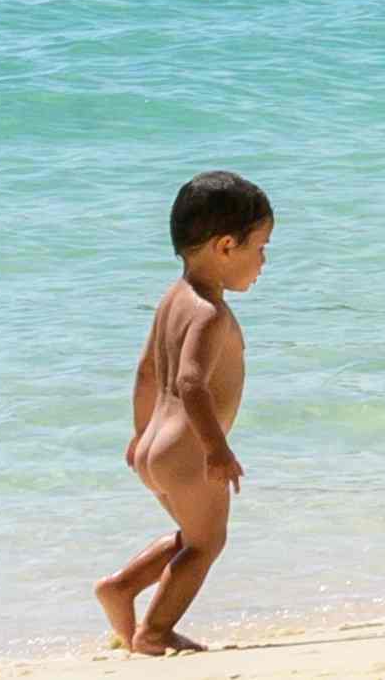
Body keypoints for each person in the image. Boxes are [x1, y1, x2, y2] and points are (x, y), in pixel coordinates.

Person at [92, 170, 271, 653]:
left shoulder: (173, 300)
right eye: (259, 247)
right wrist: (217, 449)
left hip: (157, 445)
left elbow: (147, 372)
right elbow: (191, 384)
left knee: (192, 536)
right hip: (189, 450)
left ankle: (121, 587)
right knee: (208, 544)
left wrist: (139, 437)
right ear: (226, 246)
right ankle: (154, 630)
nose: (264, 260)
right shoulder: (210, 315)